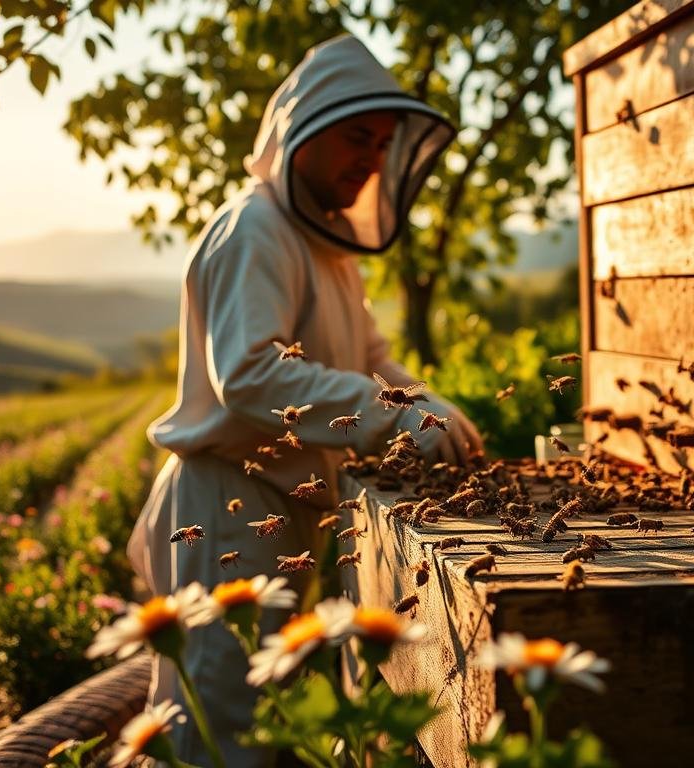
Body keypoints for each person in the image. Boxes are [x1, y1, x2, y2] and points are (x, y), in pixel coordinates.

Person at [127, 32, 483, 767]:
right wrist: (395, 415)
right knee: (218, 737)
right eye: (358, 138)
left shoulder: (325, 247)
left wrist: (432, 405)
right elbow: (253, 374)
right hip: (223, 511)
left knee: (274, 728)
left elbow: (370, 357)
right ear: (301, 134)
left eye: (383, 146)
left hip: (278, 514)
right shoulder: (255, 229)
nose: (372, 161)